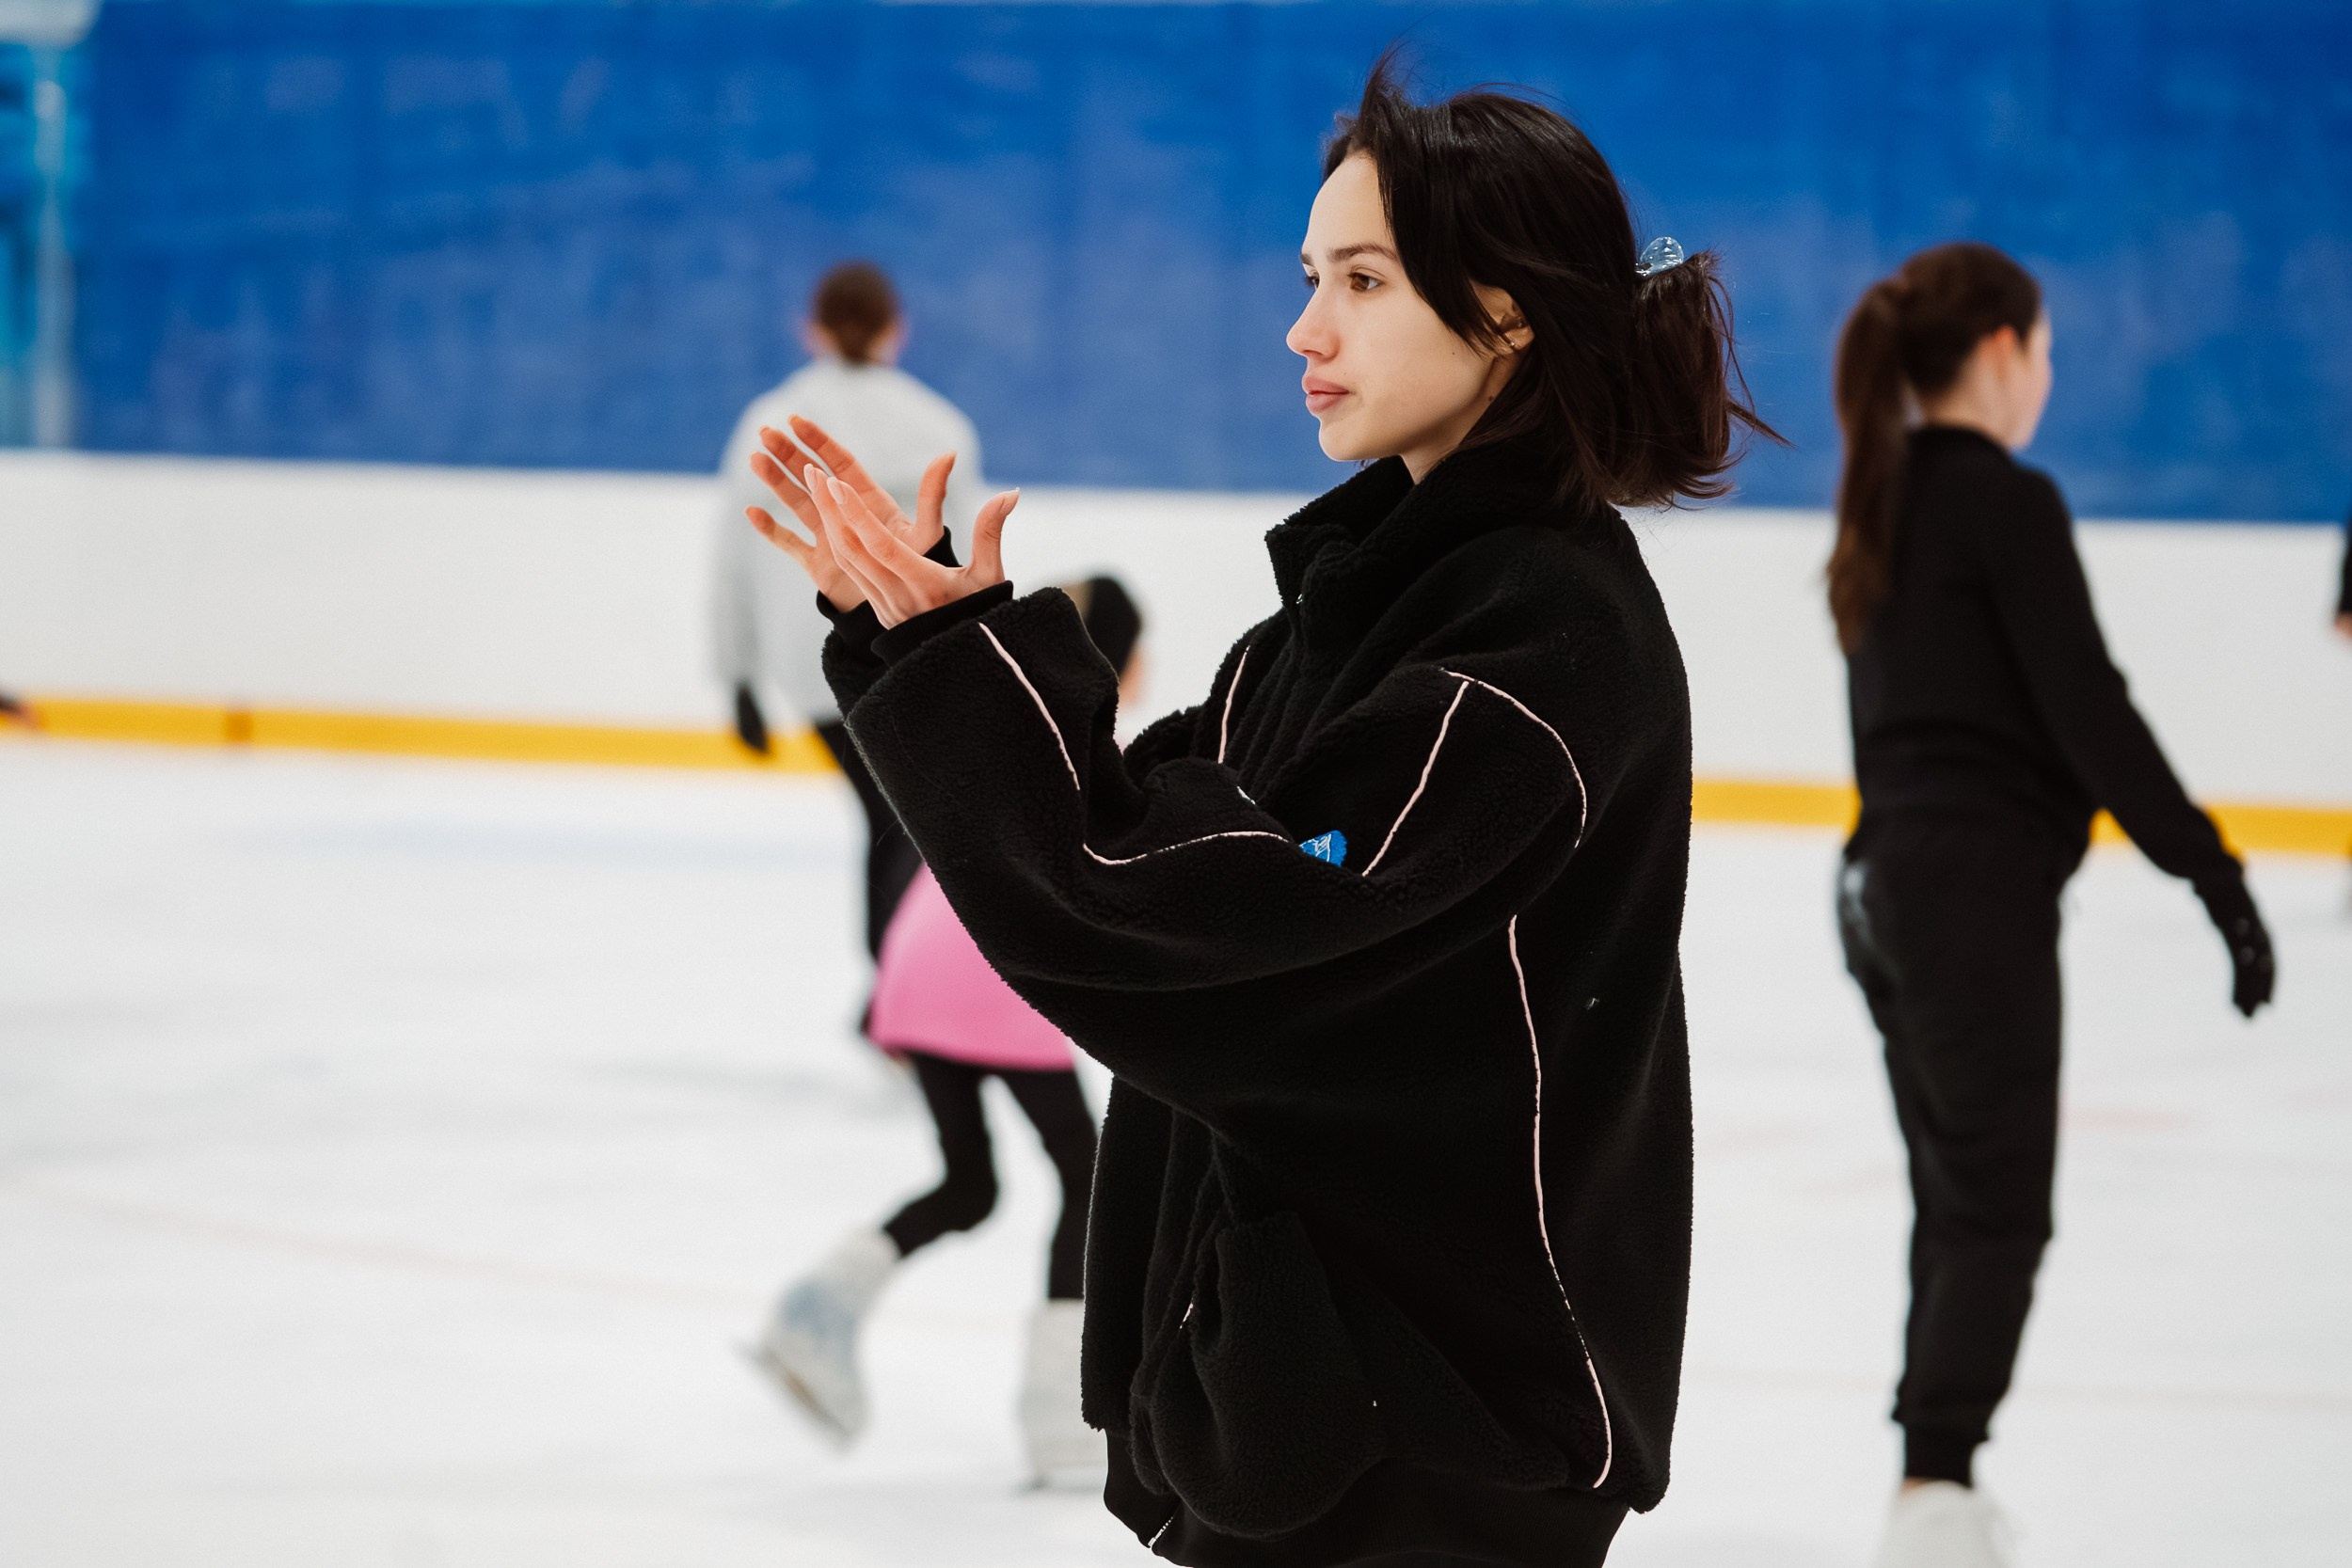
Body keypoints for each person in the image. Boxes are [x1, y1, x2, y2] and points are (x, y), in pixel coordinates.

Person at [739, 57, 1773, 1567]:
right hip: (1303, 1410)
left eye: (1361, 277)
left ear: (1506, 310)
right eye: (1309, 275)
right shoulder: (1338, 623)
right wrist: (932, 653)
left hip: (1439, 1441)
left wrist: (961, 681)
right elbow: (1133, 834)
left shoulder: (1535, 648)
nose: (1306, 327)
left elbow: (1198, 940)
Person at [1826, 242, 2277, 1568]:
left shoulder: (1882, 496)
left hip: (1874, 885)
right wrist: (2214, 871)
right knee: (1996, 1209)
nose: (2051, 378)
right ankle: (1934, 1499)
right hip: (1961, 897)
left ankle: (1933, 1476)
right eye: (2051, 351)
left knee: (1954, 1197)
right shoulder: (2006, 502)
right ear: (2007, 351)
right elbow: (2091, 709)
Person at [755, 578, 1145, 1488]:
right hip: (989, 966)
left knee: (970, 1183)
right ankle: (1062, 1418)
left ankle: (815, 1310)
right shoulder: (1084, 740)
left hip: (922, 955)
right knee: (1088, 1179)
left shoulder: (993, 718)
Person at [710, 261, 987, 959]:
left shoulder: (768, 424)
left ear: (812, 330)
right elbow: (968, 566)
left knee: (894, 819)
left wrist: (737, 678)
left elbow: (733, 555)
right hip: (909, 663)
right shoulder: (938, 422)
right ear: (898, 329)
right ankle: (892, 997)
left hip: (811, 670)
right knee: (904, 820)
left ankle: (891, 997)